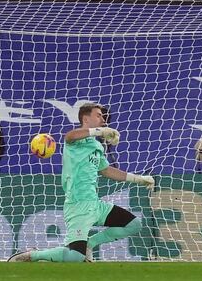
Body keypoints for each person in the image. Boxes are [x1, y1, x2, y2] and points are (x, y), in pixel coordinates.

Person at [8, 103, 154, 262]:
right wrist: (101, 131)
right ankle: (32, 255)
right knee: (75, 257)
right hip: (78, 205)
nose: (102, 118)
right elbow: (70, 136)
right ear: (86, 118)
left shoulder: (97, 145)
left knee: (133, 225)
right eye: (98, 115)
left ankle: (90, 243)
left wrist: (139, 179)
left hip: (96, 205)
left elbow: (106, 170)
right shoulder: (75, 140)